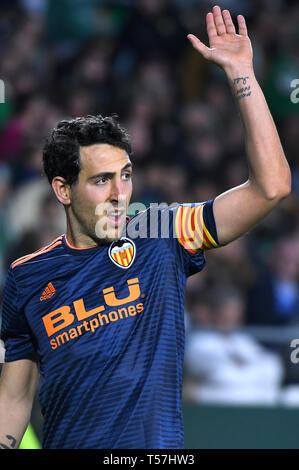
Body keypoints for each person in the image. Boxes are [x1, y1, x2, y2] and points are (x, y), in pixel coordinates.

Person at [0, 6, 291, 449]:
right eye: (101, 180)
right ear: (62, 189)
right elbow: (14, 395)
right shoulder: (27, 276)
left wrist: (241, 75)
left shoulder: (160, 231)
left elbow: (270, 188)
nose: (121, 193)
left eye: (127, 175)